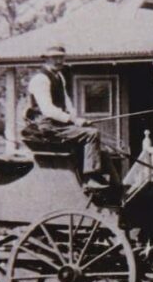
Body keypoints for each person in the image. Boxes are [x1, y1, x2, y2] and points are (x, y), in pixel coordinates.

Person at [22, 45, 107, 190]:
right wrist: (74, 120)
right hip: (46, 127)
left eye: (61, 57)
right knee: (92, 134)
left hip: (58, 125)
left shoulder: (59, 77)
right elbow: (48, 110)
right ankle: (90, 179)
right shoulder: (40, 79)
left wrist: (78, 119)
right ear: (46, 59)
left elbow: (68, 104)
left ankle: (97, 178)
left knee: (90, 131)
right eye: (55, 58)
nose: (59, 61)